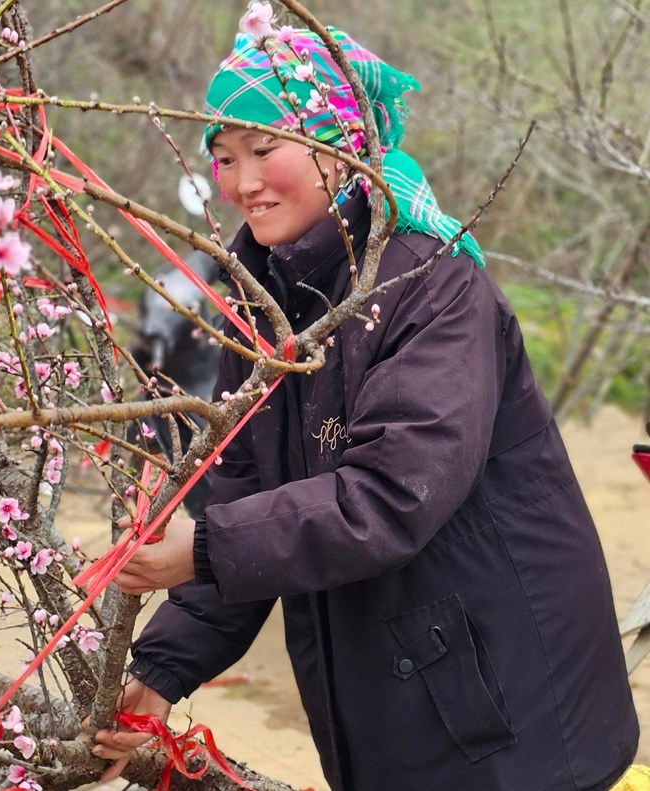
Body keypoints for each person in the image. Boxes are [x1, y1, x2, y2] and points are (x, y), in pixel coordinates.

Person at [92, 13, 640, 791]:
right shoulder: (262, 304)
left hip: (509, 704)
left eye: (264, 149)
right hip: (398, 686)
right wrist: (160, 671)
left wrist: (205, 545)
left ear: (338, 143)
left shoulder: (432, 285)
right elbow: (244, 494)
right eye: (223, 157)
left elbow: (393, 492)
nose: (243, 182)